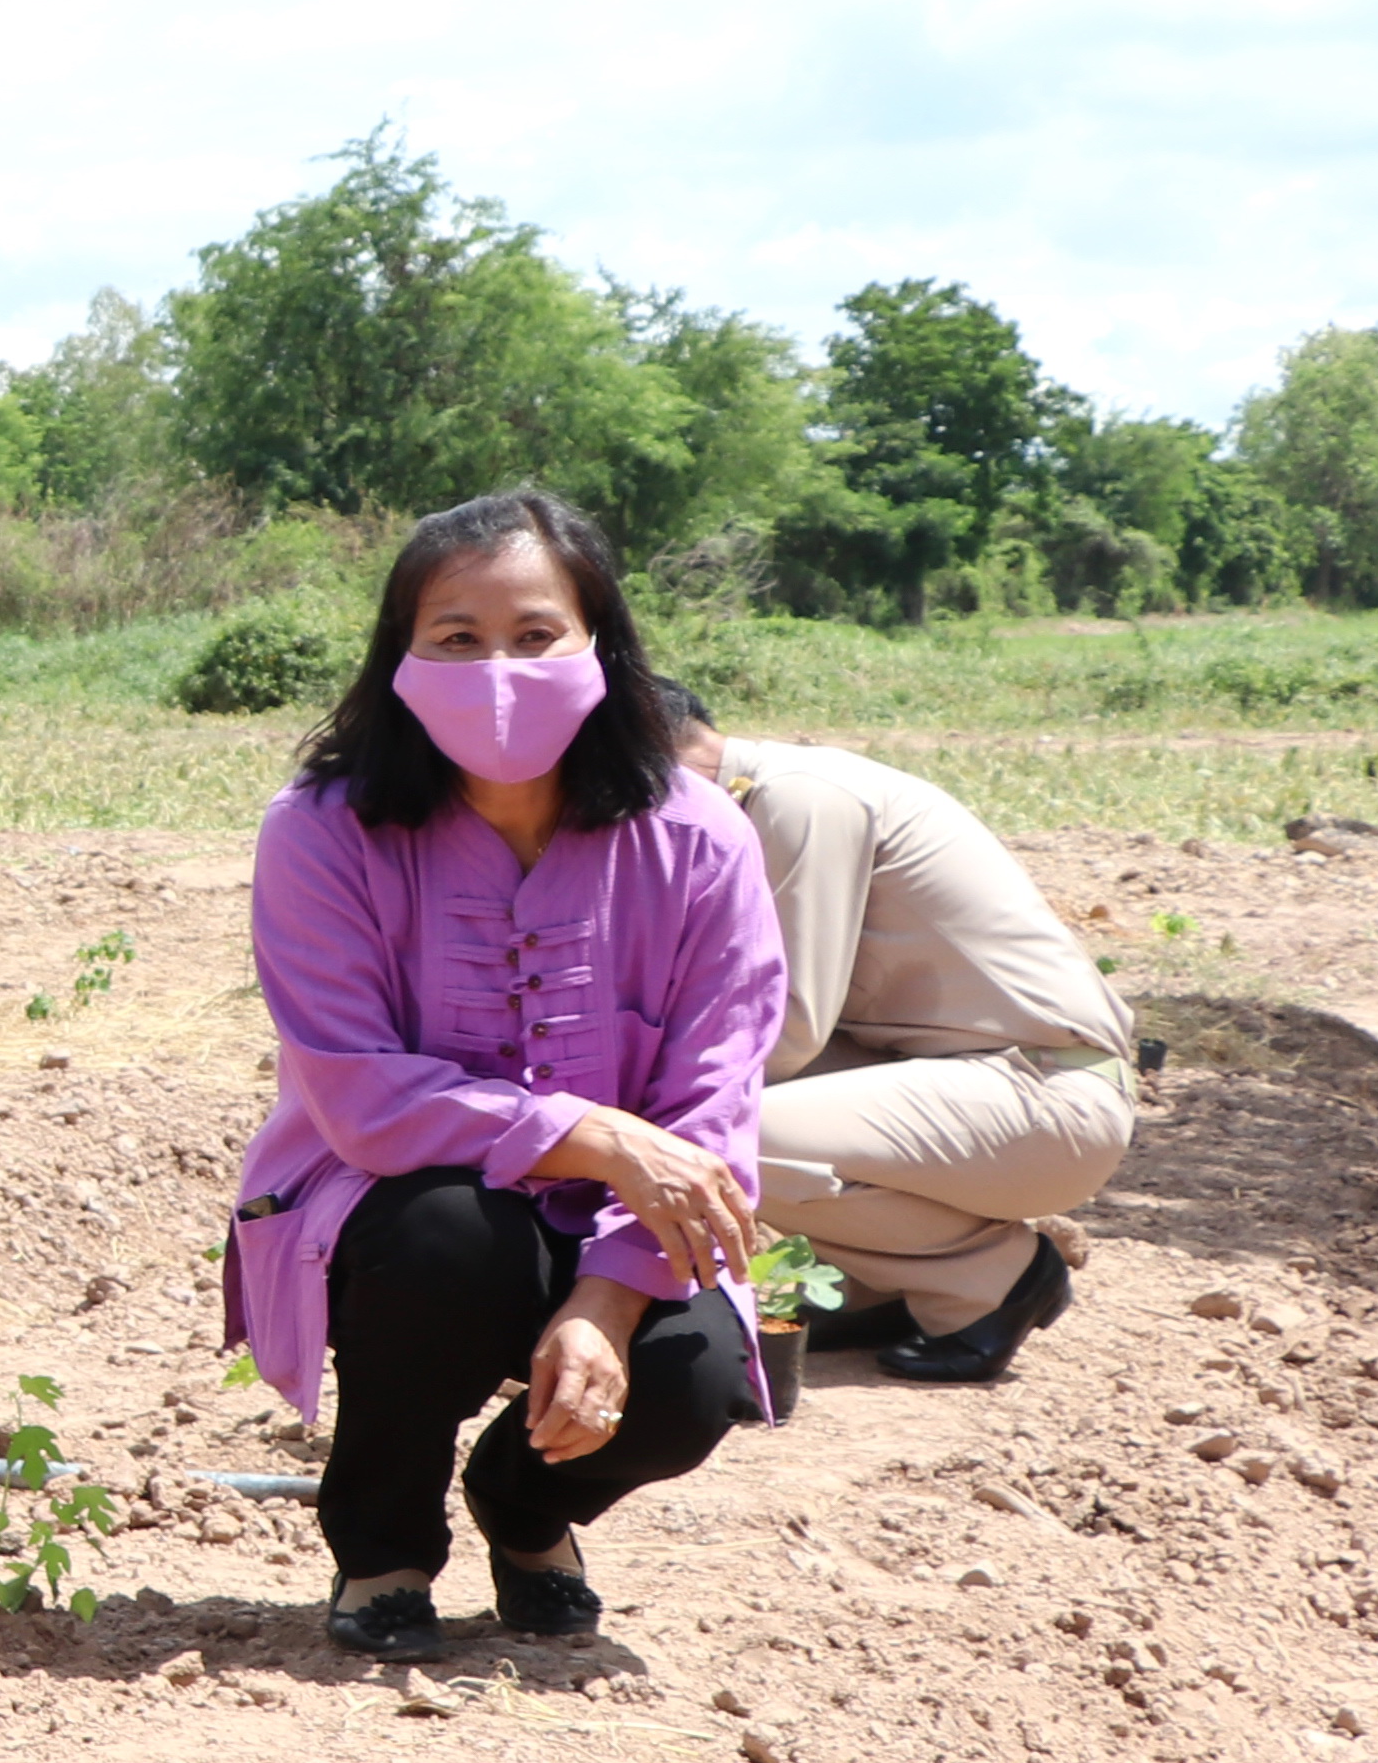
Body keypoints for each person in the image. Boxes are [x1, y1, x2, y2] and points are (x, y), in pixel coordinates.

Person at [233, 494, 788, 1660]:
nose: (497, 670)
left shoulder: (699, 838)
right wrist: (594, 1132)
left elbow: (716, 1095)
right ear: (400, 655)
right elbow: (360, 1096)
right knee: (446, 1242)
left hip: (631, 1214)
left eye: (537, 635)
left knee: (691, 1379)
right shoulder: (320, 831)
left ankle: (526, 1509)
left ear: (602, 645)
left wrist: (609, 1295)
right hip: (401, 1193)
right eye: (456, 637)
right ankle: (382, 1547)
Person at [663, 688, 1134, 1381]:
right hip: (976, 1079)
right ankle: (886, 1289)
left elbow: (786, 1026)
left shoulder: (798, 799)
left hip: (1046, 1092)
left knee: (714, 1140)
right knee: (707, 1118)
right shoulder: (765, 799)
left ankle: (994, 1279)